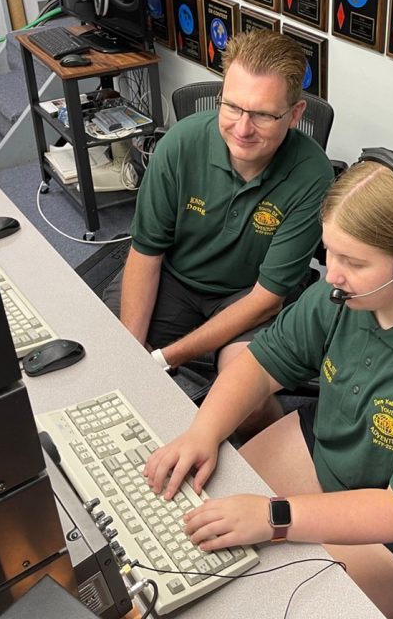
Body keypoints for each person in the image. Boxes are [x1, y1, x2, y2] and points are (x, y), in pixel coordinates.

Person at [144, 150, 393, 618]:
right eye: (330, 251)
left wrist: (274, 517)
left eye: (354, 262)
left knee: (263, 603)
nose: (332, 275)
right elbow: (259, 363)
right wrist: (202, 433)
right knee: (197, 524)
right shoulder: (339, 298)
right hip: (336, 446)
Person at [104, 30, 334, 434]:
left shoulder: (312, 173)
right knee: (112, 352)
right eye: (232, 107)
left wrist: (164, 358)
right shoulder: (180, 144)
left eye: (263, 114)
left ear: (295, 114)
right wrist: (132, 358)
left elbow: (265, 300)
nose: (243, 128)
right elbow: (146, 253)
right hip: (178, 279)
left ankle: (271, 464)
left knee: (243, 401)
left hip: (252, 296)